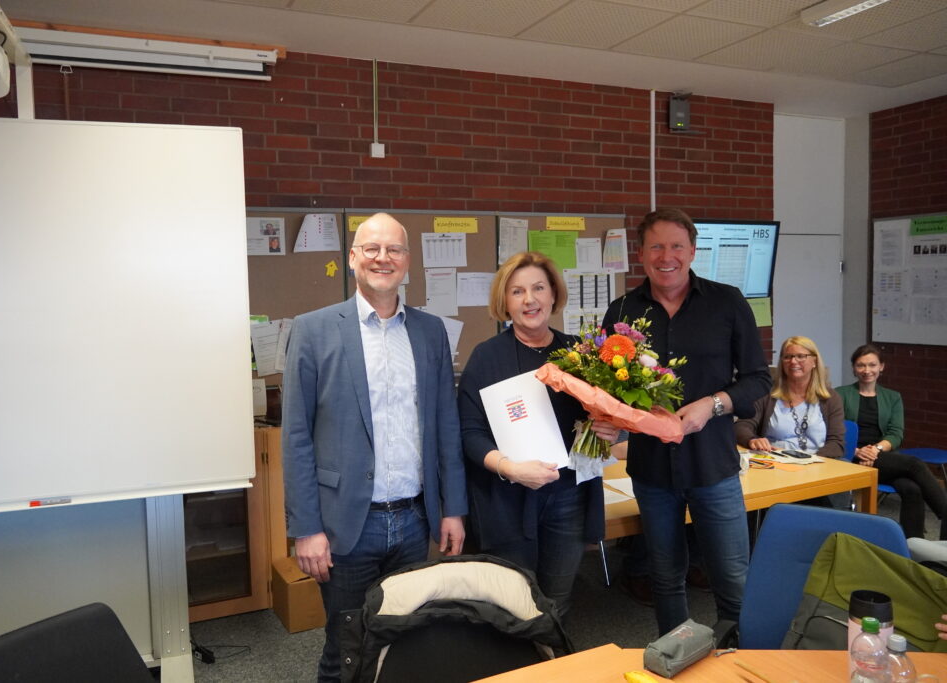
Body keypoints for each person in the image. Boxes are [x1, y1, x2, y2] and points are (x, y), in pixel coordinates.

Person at [282, 212, 468, 682]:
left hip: (413, 521)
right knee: (345, 648)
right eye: (372, 248)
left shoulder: (430, 332)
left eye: (394, 250)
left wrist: (453, 510)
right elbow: (297, 436)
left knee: (404, 643)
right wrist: (306, 528)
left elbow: (447, 426)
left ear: (408, 261)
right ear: (352, 258)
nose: (383, 258)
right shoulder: (314, 329)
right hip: (346, 525)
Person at [602, 207, 771, 636]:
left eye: (677, 246)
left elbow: (758, 379)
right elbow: (610, 388)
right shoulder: (621, 309)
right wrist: (605, 417)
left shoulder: (727, 301)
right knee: (665, 577)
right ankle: (677, 656)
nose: (667, 256)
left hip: (712, 467)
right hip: (652, 472)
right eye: (656, 246)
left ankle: (742, 661)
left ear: (693, 251)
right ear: (641, 254)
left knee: (733, 578)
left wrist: (712, 404)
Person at [457, 251, 618, 617]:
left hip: (568, 499)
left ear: (553, 294)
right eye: (517, 291)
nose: (529, 300)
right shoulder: (486, 358)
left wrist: (610, 431)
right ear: (505, 302)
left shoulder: (581, 355)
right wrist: (510, 468)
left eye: (538, 288)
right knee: (513, 603)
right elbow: (469, 432)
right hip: (507, 499)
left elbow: (603, 420)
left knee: (557, 599)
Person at [835, 344, 946, 539]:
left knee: (911, 488)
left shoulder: (893, 397)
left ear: (882, 367)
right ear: (854, 368)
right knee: (914, 464)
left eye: (872, 365)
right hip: (850, 456)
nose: (867, 370)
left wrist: (875, 451)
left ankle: (913, 547)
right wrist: (858, 451)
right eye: (861, 365)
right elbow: (835, 431)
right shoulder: (840, 394)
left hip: (882, 456)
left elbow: (896, 433)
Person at [735, 335, 845, 459]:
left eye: (801, 356)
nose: (793, 361)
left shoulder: (830, 398)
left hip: (817, 463)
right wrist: (752, 440)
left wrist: (810, 461)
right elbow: (742, 425)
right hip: (775, 461)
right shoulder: (766, 394)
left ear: (814, 361)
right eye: (787, 357)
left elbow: (836, 444)